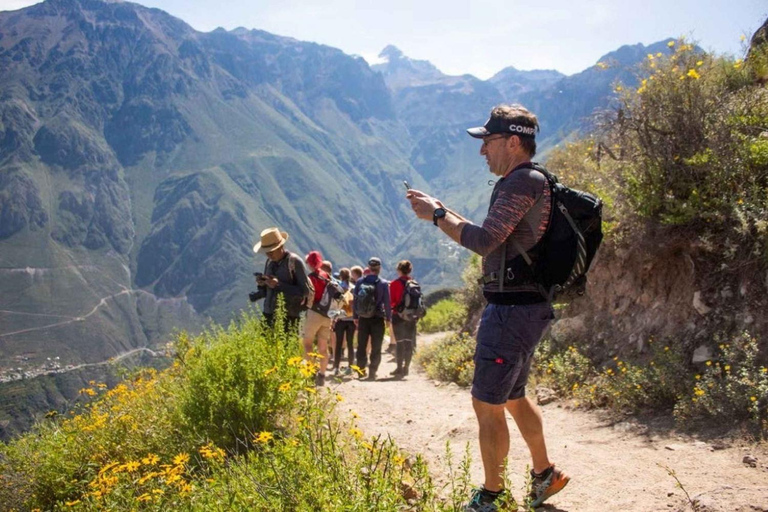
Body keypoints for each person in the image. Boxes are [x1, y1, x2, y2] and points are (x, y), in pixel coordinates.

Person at [406, 104, 569, 510]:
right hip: (528, 307)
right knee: (513, 396)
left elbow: (483, 242)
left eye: (488, 142)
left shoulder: (521, 182)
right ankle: (545, 475)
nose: (482, 152)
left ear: (513, 142)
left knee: (487, 404)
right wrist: (442, 208)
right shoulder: (533, 180)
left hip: (512, 311)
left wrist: (436, 215)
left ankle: (492, 497)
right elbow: (491, 234)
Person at [250, 227, 310, 334]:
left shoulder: (295, 262)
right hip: (268, 314)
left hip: (289, 316)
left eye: (272, 251)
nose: (269, 255)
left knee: (286, 349)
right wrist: (262, 284)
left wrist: (279, 285)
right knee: (266, 349)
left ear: (281, 246)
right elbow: (267, 290)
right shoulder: (269, 262)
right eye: (267, 252)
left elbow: (304, 291)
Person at [353, 257, 391, 381]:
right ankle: (372, 372)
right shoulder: (383, 284)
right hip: (378, 318)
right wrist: (388, 319)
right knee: (376, 346)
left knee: (361, 345)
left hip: (363, 318)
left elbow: (355, 300)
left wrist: (355, 316)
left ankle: (360, 371)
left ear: (368, 268)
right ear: (379, 268)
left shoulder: (359, 282)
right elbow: (387, 303)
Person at [303, 251, 333, 386]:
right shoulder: (326, 276)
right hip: (327, 315)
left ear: (309, 263)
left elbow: (307, 296)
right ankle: (322, 375)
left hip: (314, 313)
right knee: (323, 347)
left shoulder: (310, 278)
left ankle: (311, 372)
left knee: (307, 344)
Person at [388, 260, 418, 377]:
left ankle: (399, 368)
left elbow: (391, 302)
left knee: (399, 343)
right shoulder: (414, 283)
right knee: (409, 343)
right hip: (411, 317)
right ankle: (407, 368)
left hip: (398, 316)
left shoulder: (394, 283)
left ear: (399, 270)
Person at [331, 267, 356, 375]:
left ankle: (336, 367)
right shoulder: (354, 288)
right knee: (350, 344)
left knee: (338, 344)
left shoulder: (338, 288)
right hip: (351, 319)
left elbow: (334, 305)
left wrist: (333, 320)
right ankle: (350, 367)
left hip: (340, 319)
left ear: (340, 276)